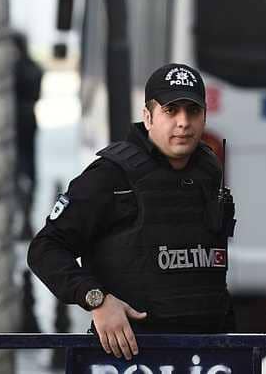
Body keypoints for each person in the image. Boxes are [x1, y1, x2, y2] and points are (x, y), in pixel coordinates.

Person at [27, 63, 235, 361]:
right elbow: (45, 249)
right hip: (131, 357)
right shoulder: (110, 175)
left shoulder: (208, 169)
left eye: (193, 111)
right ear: (148, 116)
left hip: (206, 355)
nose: (183, 122)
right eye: (171, 110)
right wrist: (97, 300)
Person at [12, 31, 43, 198]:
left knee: (22, 154)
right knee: (30, 154)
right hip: (31, 115)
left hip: (19, 118)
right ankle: (31, 184)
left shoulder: (16, 69)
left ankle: (24, 183)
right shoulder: (35, 68)